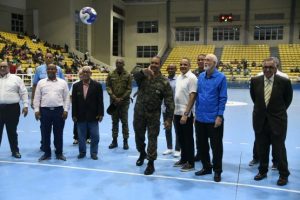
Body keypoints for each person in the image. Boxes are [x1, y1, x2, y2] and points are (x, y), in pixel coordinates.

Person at [250, 58, 293, 186]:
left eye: (271, 67)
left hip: (278, 121)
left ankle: (283, 174)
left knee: (279, 149)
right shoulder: (255, 81)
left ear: (276, 68)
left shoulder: (284, 82)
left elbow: (288, 100)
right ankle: (262, 171)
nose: (268, 70)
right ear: (262, 68)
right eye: (265, 67)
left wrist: (276, 112)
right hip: (260, 121)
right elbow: (255, 98)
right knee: (262, 148)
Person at [132, 56, 174, 175]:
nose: (154, 65)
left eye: (156, 63)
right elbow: (133, 72)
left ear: (160, 65)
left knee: (152, 138)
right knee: (139, 136)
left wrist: (168, 119)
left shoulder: (164, 81)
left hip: (154, 115)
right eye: (152, 63)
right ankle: (141, 153)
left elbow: (169, 101)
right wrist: (142, 71)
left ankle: (151, 163)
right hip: (139, 113)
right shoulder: (142, 76)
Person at [194, 54, 227, 182]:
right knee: (202, 146)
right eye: (204, 60)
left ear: (214, 63)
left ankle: (217, 171)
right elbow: (198, 96)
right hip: (200, 118)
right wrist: (196, 113)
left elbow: (223, 98)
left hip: (214, 119)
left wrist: (219, 116)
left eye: (208, 60)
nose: (205, 62)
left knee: (216, 147)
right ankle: (206, 167)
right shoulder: (201, 76)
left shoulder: (221, 77)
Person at [33, 64, 70, 162]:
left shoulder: (63, 83)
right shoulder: (41, 83)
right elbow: (37, 97)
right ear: (46, 70)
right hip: (45, 111)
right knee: (45, 133)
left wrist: (66, 110)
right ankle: (47, 153)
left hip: (59, 111)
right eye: (49, 69)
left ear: (56, 71)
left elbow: (66, 98)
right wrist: (36, 110)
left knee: (58, 133)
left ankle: (59, 153)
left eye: (53, 69)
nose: (51, 70)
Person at [31, 52, 64, 151]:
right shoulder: (39, 69)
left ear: (53, 58)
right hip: (43, 103)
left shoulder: (59, 69)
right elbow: (35, 85)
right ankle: (44, 144)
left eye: (50, 57)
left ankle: (57, 147)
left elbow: (62, 85)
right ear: (44, 58)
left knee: (58, 128)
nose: (49, 58)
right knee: (44, 126)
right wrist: (33, 99)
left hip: (56, 102)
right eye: (47, 57)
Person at [72, 66, 104, 160]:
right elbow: (74, 102)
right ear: (81, 74)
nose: (85, 74)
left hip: (94, 115)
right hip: (80, 115)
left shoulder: (97, 85)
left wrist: (101, 113)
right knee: (81, 136)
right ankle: (82, 152)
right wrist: (74, 114)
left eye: (87, 72)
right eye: (84, 72)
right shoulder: (76, 86)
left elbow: (100, 101)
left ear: (90, 74)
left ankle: (94, 152)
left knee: (95, 136)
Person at [173, 58, 197, 172]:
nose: (182, 66)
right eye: (181, 64)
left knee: (188, 139)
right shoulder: (179, 77)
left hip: (185, 114)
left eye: (185, 64)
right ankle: (183, 159)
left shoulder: (192, 78)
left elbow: (192, 96)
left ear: (189, 65)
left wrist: (186, 114)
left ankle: (191, 163)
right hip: (176, 112)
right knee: (181, 138)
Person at [0, 61, 28, 158]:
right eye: (1, 66)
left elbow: (23, 92)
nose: (2, 68)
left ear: (8, 67)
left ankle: (15, 151)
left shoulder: (16, 79)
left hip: (12, 108)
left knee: (12, 131)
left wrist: (25, 105)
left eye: (4, 66)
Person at [106, 59, 132, 150]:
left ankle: (125, 141)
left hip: (124, 102)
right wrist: (114, 97)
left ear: (123, 64)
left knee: (124, 122)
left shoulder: (128, 75)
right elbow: (108, 86)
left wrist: (122, 98)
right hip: (114, 102)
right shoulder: (111, 74)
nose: (119, 64)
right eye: (117, 63)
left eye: (120, 63)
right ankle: (114, 141)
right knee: (115, 121)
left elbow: (129, 89)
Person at [162, 64, 181, 157]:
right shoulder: (163, 80)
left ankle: (178, 149)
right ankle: (169, 148)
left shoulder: (178, 80)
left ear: (176, 69)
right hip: (165, 109)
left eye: (172, 68)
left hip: (176, 109)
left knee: (177, 129)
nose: (170, 70)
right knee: (167, 128)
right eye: (169, 68)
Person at [69, 69, 90, 145]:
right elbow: (71, 96)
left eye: (83, 74)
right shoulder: (75, 84)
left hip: (88, 108)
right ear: (78, 75)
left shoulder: (91, 83)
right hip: (78, 108)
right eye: (80, 74)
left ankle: (88, 137)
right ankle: (76, 138)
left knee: (88, 122)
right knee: (76, 123)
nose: (82, 75)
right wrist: (73, 105)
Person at [192, 53, 206, 162]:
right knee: (198, 132)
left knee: (208, 133)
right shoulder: (193, 74)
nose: (201, 61)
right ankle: (199, 153)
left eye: (203, 59)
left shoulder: (209, 72)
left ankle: (205, 153)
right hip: (196, 106)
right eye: (199, 59)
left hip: (207, 106)